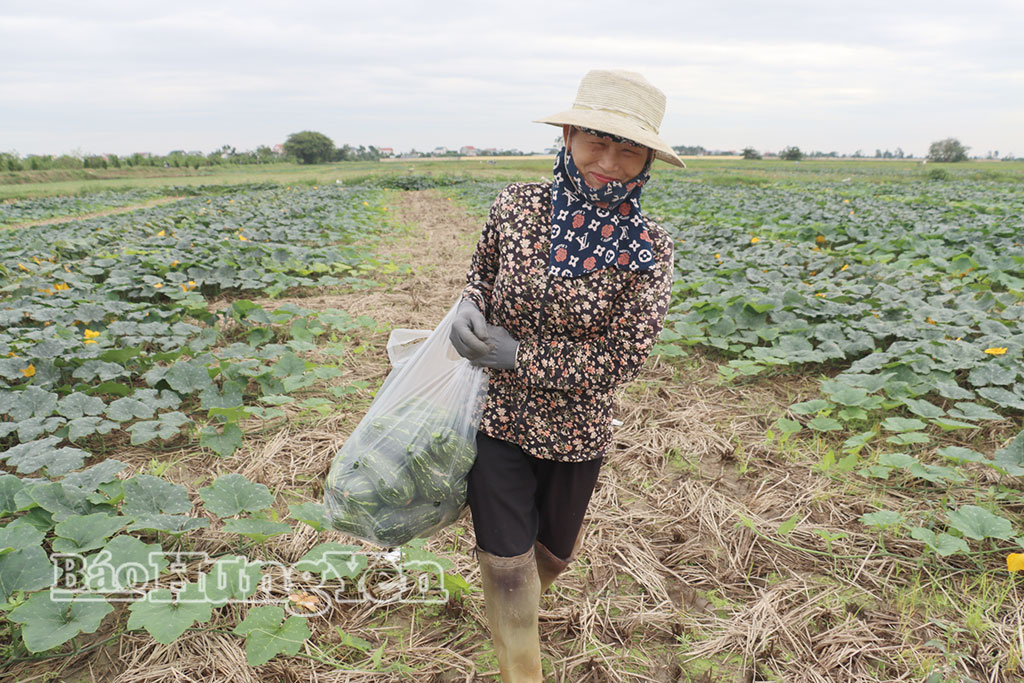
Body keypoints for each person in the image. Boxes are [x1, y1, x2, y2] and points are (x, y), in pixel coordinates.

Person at [450, 69, 683, 681]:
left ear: (647, 159)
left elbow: (624, 357)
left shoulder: (650, 248)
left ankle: (519, 605)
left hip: (578, 430)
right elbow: (481, 275)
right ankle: (521, 667)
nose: (607, 161)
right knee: (506, 561)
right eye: (594, 140)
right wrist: (468, 311)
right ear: (570, 136)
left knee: (550, 555)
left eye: (627, 147)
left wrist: (522, 356)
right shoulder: (516, 206)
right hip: (495, 415)